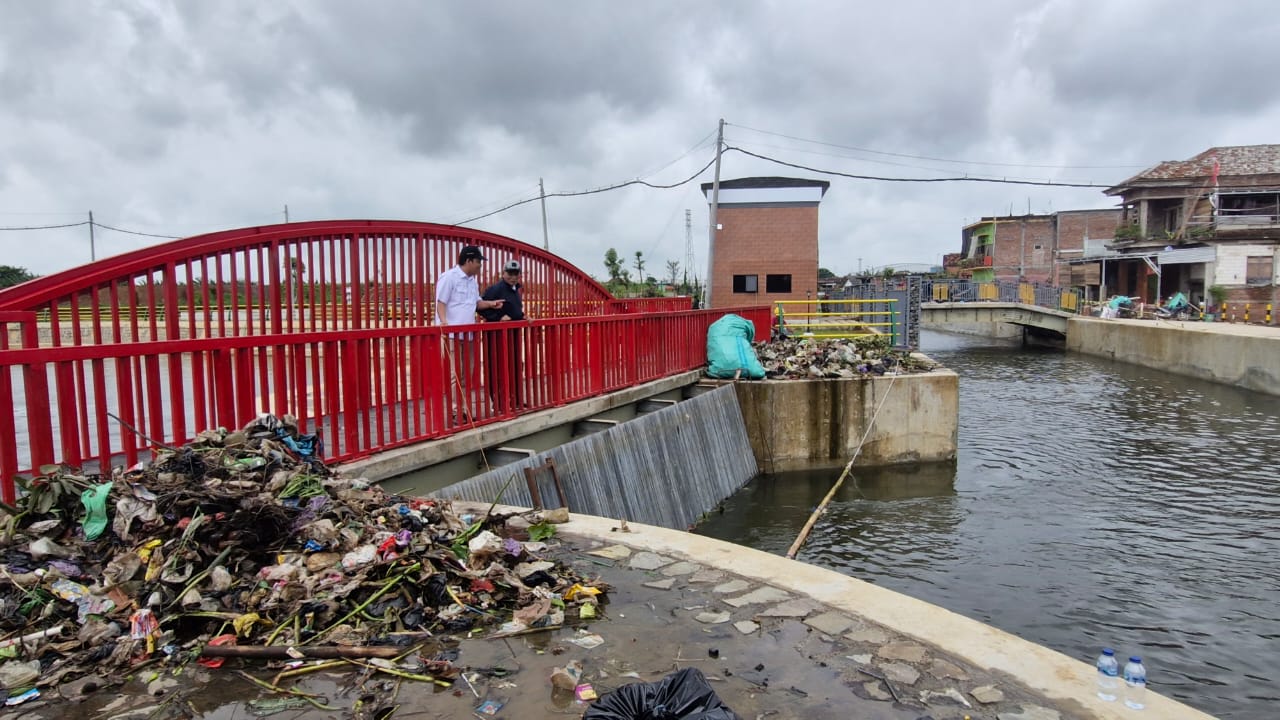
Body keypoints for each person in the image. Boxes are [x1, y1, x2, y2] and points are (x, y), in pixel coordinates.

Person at [435, 245, 504, 423]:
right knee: (456, 374)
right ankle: (456, 412)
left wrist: (491, 304)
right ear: (469, 261)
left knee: (467, 373)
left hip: (469, 334)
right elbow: (440, 302)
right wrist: (444, 323)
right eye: (479, 262)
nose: (480, 266)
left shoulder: (472, 281)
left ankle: (463, 410)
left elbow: (476, 303)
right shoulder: (449, 277)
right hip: (452, 334)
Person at [480, 260, 528, 413]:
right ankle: (498, 402)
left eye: (516, 274)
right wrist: (497, 318)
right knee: (497, 368)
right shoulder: (496, 289)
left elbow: (514, 309)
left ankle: (515, 399)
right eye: (510, 274)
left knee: (515, 365)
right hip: (496, 337)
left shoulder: (515, 289)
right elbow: (481, 307)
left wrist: (523, 316)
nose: (513, 277)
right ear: (503, 273)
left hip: (511, 335)